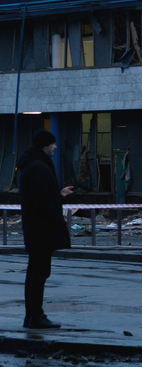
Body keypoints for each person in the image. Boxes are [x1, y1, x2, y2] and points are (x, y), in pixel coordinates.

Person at [17, 129, 73, 329]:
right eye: (52, 143)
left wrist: (58, 194)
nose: (55, 147)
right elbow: (40, 200)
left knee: (35, 271)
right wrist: (56, 217)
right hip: (41, 229)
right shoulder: (38, 167)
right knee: (39, 273)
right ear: (44, 145)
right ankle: (36, 316)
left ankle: (32, 316)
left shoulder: (32, 165)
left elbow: (40, 195)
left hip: (36, 228)